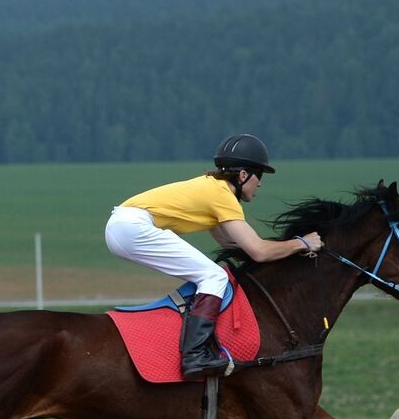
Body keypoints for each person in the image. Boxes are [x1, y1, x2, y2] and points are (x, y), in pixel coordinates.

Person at [105, 134, 323, 377]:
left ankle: (194, 346)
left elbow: (231, 244)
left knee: (210, 275)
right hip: (132, 228)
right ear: (243, 175)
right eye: (259, 176)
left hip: (123, 226)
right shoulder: (222, 196)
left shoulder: (211, 189)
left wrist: (282, 259)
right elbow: (258, 251)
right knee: (215, 277)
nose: (260, 184)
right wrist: (302, 243)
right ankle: (195, 356)